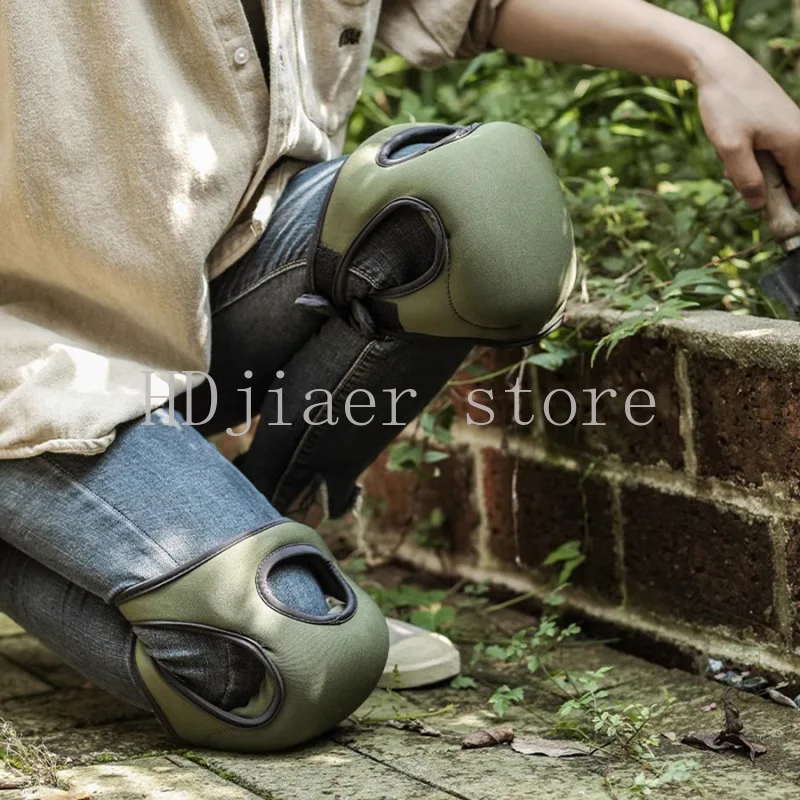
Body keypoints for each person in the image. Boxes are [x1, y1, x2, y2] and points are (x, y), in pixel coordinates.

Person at [1, 0, 798, 752]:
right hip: (32, 352)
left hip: (198, 286)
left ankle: (264, 542)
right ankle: (207, 581)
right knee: (287, 667)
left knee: (475, 206)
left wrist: (711, 56)